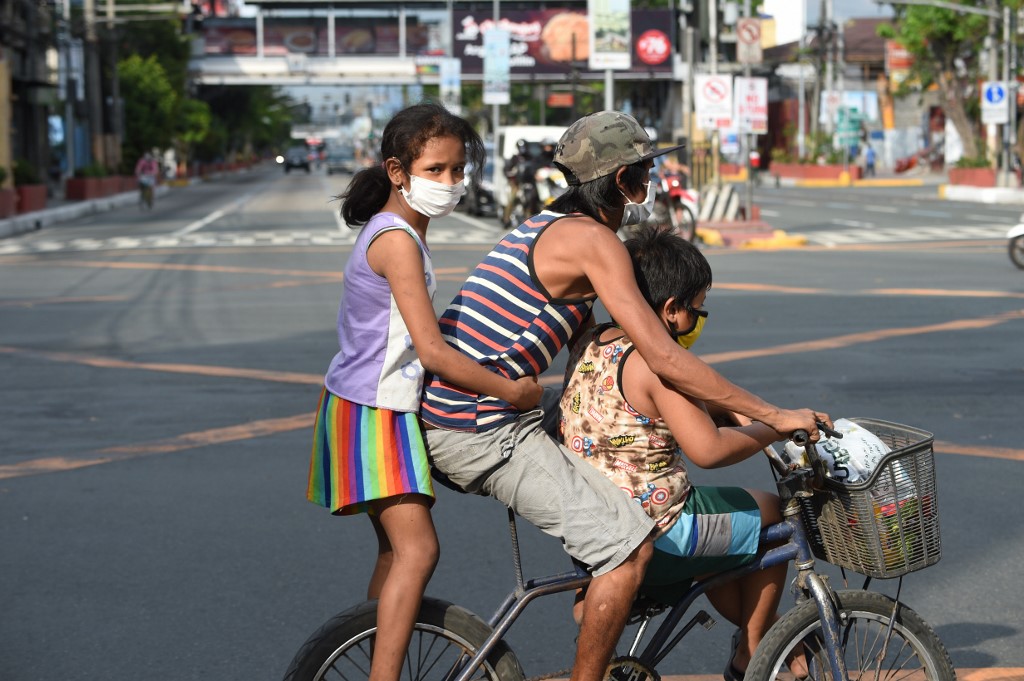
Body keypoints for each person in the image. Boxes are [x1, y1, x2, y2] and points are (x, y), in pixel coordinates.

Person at [420, 110, 829, 681]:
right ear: (621, 181)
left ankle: (612, 595)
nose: (651, 183)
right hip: (478, 425)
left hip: (468, 410)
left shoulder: (550, 228)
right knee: (628, 550)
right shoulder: (594, 242)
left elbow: (619, 362)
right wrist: (772, 416)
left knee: (619, 487)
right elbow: (665, 358)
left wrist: (735, 408)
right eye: (644, 172)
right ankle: (613, 604)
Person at [306, 102, 543, 681]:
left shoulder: (400, 230)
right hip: (373, 410)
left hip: (362, 405)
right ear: (397, 171)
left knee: (396, 553)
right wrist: (510, 392)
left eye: (457, 170)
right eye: (435, 170)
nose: (450, 182)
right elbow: (433, 351)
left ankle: (376, 660)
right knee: (418, 551)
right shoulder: (398, 241)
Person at [560, 225, 810, 681]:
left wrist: (727, 410)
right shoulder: (659, 363)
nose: (698, 320)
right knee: (774, 511)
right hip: (658, 530)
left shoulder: (593, 340)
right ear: (671, 309)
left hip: (596, 518)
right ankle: (752, 649)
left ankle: (759, 631)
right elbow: (708, 450)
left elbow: (637, 415)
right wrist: (771, 428)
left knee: (727, 543)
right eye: (697, 310)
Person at [502, 139, 532, 225]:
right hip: (515, 183)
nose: (522, 150)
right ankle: (506, 219)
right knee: (512, 199)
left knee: (529, 200)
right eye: (520, 148)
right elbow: (507, 169)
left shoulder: (529, 157)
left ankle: (528, 219)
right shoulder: (514, 158)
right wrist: (510, 174)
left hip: (527, 183)